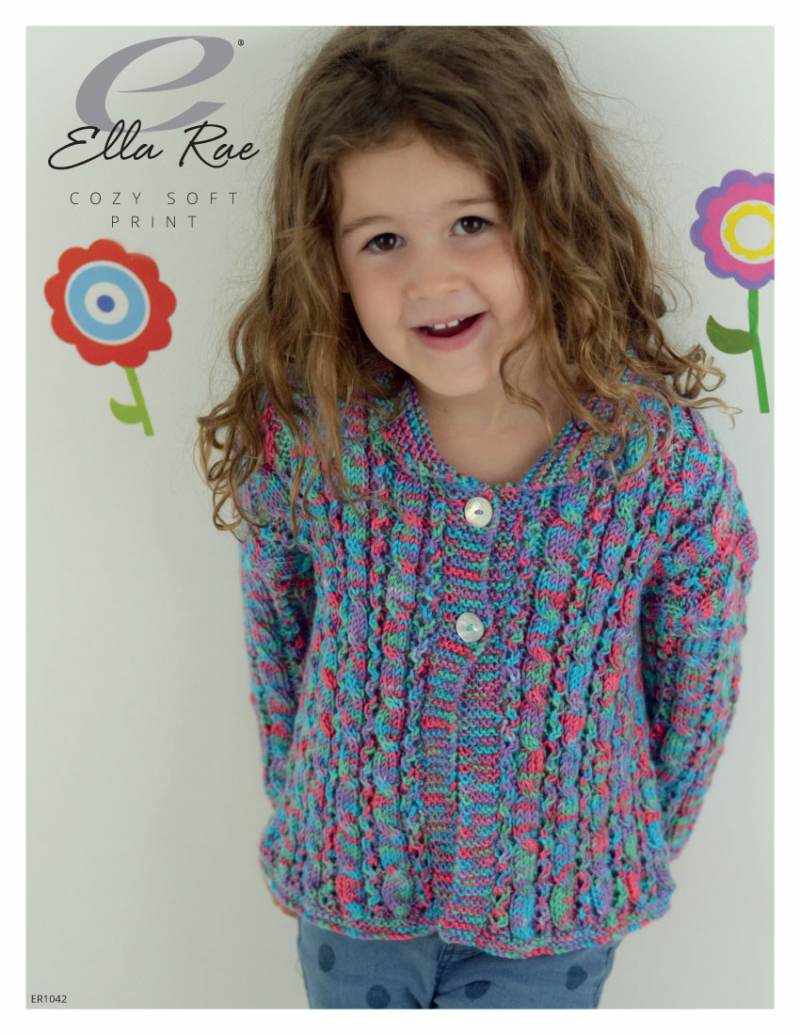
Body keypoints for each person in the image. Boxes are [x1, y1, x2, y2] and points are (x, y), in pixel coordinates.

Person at [195, 26, 760, 1009]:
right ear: (327, 263)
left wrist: (627, 833)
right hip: (352, 901)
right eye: (382, 241)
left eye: (470, 223)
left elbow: (696, 667)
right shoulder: (316, 437)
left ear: (551, 220)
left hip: (556, 919)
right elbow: (279, 627)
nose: (430, 279)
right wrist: (307, 797)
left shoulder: (652, 462)